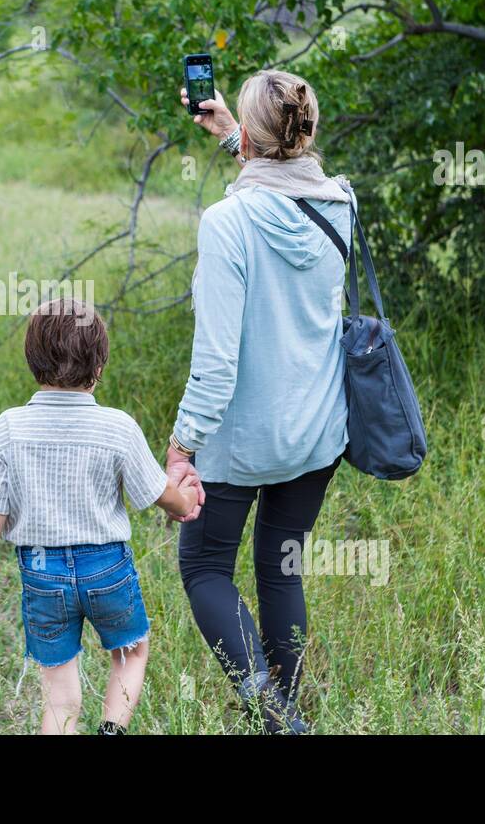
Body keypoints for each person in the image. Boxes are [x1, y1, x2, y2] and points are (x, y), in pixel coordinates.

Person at [168, 69, 354, 734]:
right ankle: (291, 707)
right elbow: (291, 173)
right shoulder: (342, 203)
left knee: (205, 567)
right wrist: (233, 135)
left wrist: (182, 445)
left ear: (250, 135)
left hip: (241, 439)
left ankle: (274, 716)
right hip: (318, 432)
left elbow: (216, 361)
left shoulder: (227, 224)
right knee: (282, 568)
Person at [0, 300, 200, 735]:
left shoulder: (8, 427)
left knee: (59, 697)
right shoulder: (117, 427)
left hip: (41, 572)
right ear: (99, 365)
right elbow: (160, 496)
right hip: (106, 566)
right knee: (130, 652)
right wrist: (187, 500)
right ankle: (111, 729)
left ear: (32, 361)